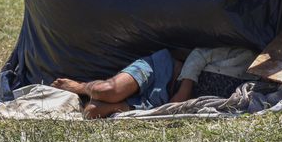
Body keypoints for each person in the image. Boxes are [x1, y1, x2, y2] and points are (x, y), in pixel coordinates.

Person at [51, 48, 186, 119]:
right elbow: (195, 58)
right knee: (106, 90)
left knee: (91, 112)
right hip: (161, 67)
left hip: (163, 98)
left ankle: (117, 105)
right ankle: (81, 87)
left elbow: (177, 103)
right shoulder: (204, 54)